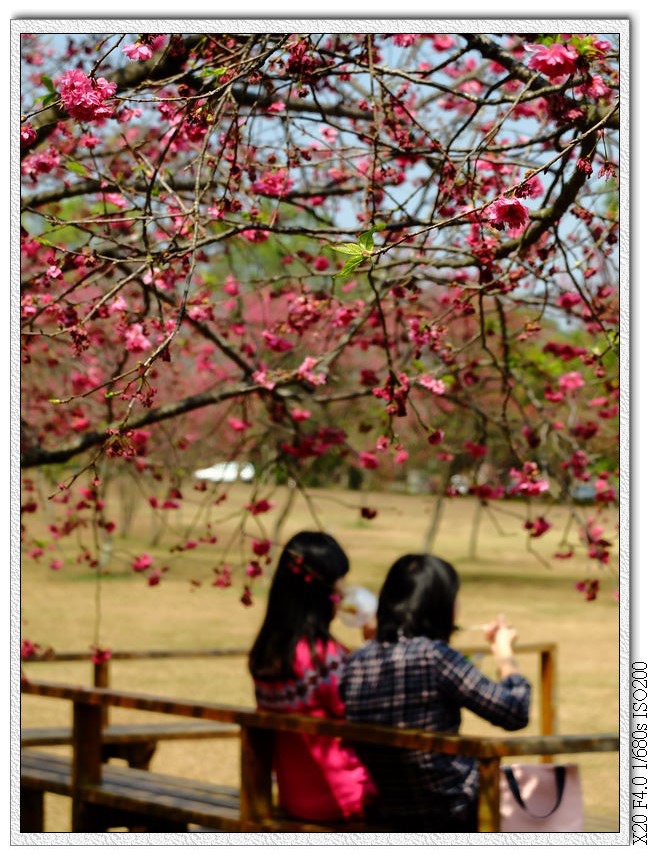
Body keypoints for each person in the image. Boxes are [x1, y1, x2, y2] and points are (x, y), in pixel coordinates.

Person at [340, 553, 531, 832]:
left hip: (390, 810)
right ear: (439, 605)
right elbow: (514, 712)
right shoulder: (434, 657)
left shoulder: (356, 662)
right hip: (453, 812)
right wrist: (504, 653)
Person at [248, 530, 377, 823]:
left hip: (296, 798)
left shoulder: (267, 653)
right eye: (338, 585)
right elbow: (364, 712)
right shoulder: (323, 657)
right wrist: (375, 645)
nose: (343, 594)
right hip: (344, 797)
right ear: (320, 592)